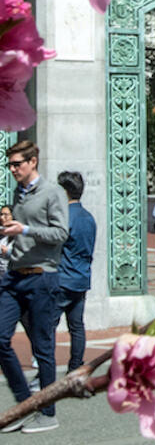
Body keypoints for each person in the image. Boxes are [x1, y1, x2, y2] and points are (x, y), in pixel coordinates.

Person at [0, 140, 68, 433]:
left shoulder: (53, 192)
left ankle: (47, 412)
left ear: (32, 162)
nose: (12, 169)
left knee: (43, 348)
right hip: (14, 276)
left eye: (17, 164)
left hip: (42, 276)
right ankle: (25, 403)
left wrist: (24, 229)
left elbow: (61, 232)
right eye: (10, 165)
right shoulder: (19, 193)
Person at [52, 172, 96, 374]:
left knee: (48, 326)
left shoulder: (64, 217)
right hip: (81, 277)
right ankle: (75, 365)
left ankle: (46, 367)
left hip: (62, 278)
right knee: (77, 326)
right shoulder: (89, 218)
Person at [0, 205, 13, 277]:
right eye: (1, 214)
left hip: (13, 276)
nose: (2, 217)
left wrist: (8, 252)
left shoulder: (19, 234)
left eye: (6, 215)